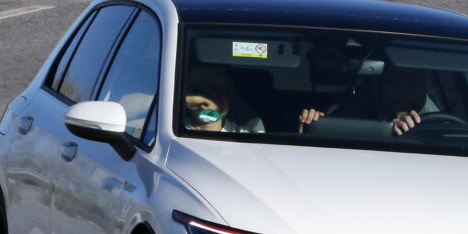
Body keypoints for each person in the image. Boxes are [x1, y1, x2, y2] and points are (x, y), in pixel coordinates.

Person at [299, 65, 437, 135]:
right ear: (377, 85)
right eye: (397, 82)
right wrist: (310, 128)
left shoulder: (441, 124)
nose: (407, 91)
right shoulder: (348, 119)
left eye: (415, 83)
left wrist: (415, 133)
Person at [185, 64, 265, 134]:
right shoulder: (174, 129)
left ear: (229, 94)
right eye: (198, 90)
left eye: (216, 90)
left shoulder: (247, 136)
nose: (205, 99)